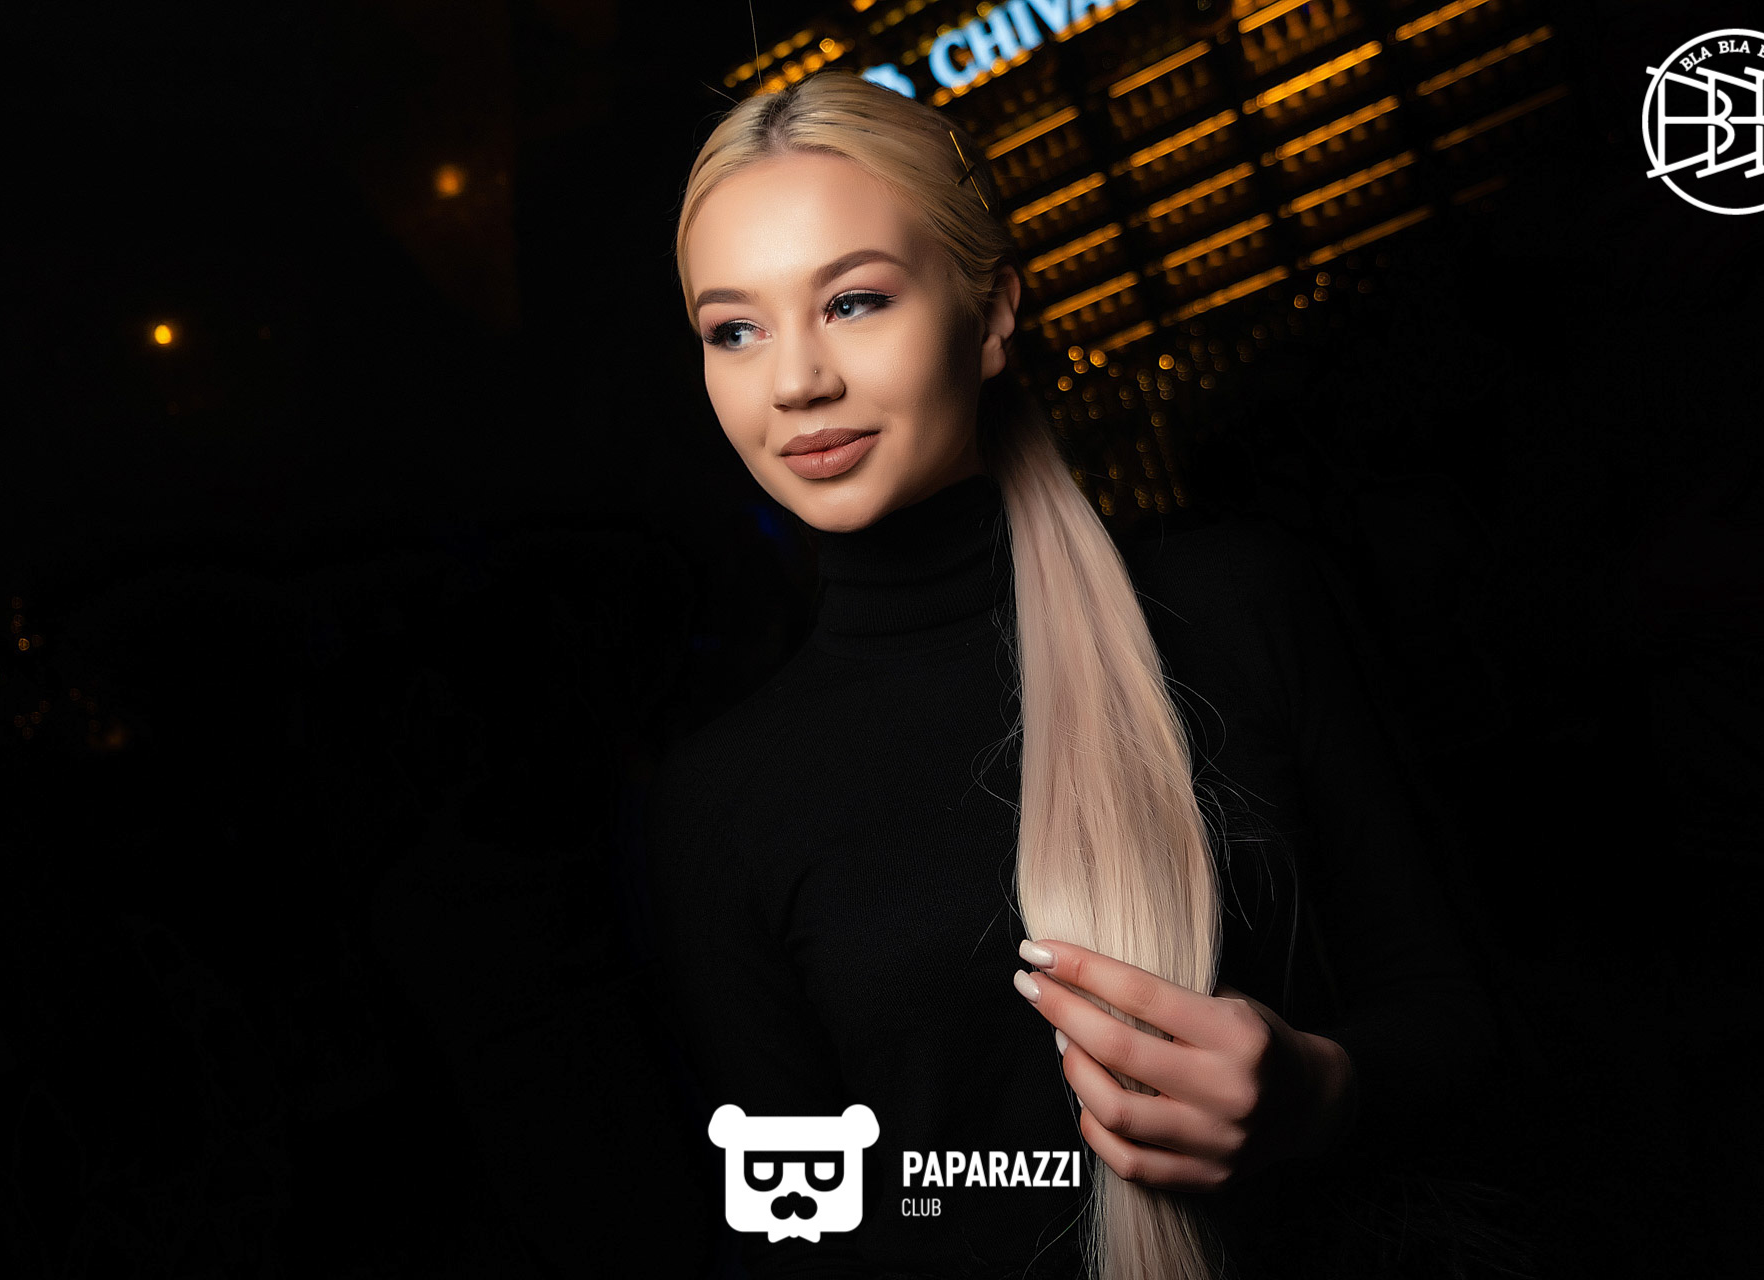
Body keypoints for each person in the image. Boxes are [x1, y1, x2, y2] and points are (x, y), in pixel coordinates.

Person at [639, 71, 1498, 1280]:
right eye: (735, 329)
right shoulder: (721, 802)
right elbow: (797, 1224)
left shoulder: (1241, 606)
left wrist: (1320, 1087)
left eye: (854, 300)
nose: (795, 382)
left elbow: (1468, 1024)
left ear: (993, 313)